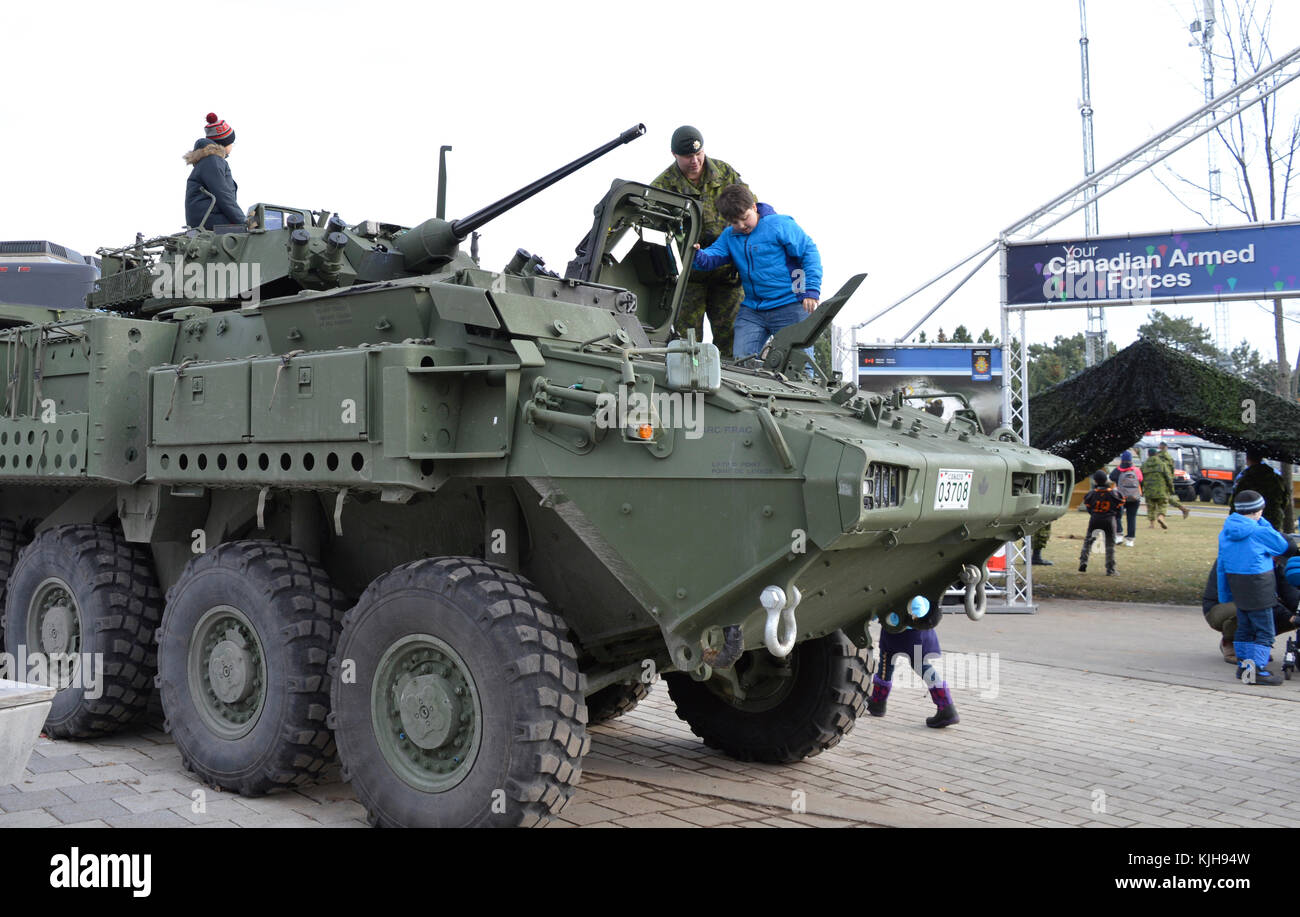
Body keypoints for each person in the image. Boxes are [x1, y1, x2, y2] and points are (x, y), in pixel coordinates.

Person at [693, 184, 821, 362]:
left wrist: (812, 289)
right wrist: (697, 253)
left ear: (754, 207)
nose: (742, 225)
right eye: (735, 222)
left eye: (745, 218)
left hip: (790, 304)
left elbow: (809, 252)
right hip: (753, 310)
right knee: (741, 362)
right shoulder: (730, 235)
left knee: (799, 365)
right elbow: (711, 257)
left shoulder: (779, 225)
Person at [651, 126, 750, 357]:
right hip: (688, 279)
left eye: (699, 154)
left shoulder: (725, 174)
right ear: (674, 155)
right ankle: (691, 390)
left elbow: (750, 210)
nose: (695, 161)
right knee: (686, 344)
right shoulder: (663, 186)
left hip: (728, 275)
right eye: (688, 157)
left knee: (734, 340)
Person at [1218, 489, 1292, 685]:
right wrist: (1265, 524)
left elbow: (1221, 567)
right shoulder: (1260, 531)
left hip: (1238, 587)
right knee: (1265, 631)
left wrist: (1224, 593)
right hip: (1260, 586)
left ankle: (1244, 667)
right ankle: (1257, 670)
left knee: (1245, 628)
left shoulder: (1225, 532)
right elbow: (1283, 546)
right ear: (1258, 511)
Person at [867, 596, 958, 728]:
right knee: (921, 665)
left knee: (887, 663)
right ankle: (946, 705)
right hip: (918, 629)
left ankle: (878, 702)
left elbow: (878, 608)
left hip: (896, 628)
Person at [1202, 540, 1299, 664]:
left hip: (1255, 601)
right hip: (1221, 606)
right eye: (1277, 558)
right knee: (1252, 609)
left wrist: (1297, 611)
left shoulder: (1276, 563)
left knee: (1291, 614)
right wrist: (1289, 617)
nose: (1278, 562)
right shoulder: (1244, 560)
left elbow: (1290, 594)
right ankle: (1231, 642)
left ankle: (1256, 645)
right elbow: (1257, 597)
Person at [184, 113, 243, 230]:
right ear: (224, 143)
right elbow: (223, 194)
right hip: (212, 221)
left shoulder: (208, 161)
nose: (232, 146)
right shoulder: (213, 161)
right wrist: (243, 221)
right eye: (232, 143)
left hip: (206, 220)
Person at [1079, 470, 1125, 575]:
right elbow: (1120, 508)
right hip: (1109, 519)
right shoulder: (1114, 493)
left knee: (1088, 541)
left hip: (1095, 519)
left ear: (1095, 481)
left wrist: (1094, 514)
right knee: (1110, 545)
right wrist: (1116, 517)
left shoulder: (1092, 494)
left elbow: (1089, 507)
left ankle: (1083, 561)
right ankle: (1110, 569)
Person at [1231, 449, 1289, 532]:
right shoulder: (1276, 478)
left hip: (1249, 519)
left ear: (1247, 459)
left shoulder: (1245, 479)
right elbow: (1285, 499)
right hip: (1273, 518)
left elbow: (1236, 501)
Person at [1109, 450, 1144, 546]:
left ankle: (1119, 535)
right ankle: (1130, 540)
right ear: (1131, 460)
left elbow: (1111, 477)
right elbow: (1141, 480)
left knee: (1117, 516)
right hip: (1134, 498)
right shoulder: (1136, 470)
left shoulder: (1118, 470)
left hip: (1121, 498)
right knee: (1131, 518)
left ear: (1122, 460)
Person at [1140, 447, 1176, 530]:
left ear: (1148, 454)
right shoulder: (1162, 464)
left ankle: (1152, 524)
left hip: (1149, 490)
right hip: (1161, 490)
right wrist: (1171, 489)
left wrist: (1141, 490)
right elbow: (1168, 477)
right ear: (1156, 454)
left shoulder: (1144, 465)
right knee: (1162, 505)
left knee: (1151, 507)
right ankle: (1160, 517)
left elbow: (1140, 479)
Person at [1155, 442, 1191, 520]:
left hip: (1157, 480)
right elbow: (1171, 470)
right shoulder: (1169, 458)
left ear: (1160, 447)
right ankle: (1183, 509)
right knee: (1166, 497)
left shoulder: (1156, 456)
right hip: (1166, 480)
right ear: (1166, 447)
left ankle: (1158, 517)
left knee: (1160, 498)